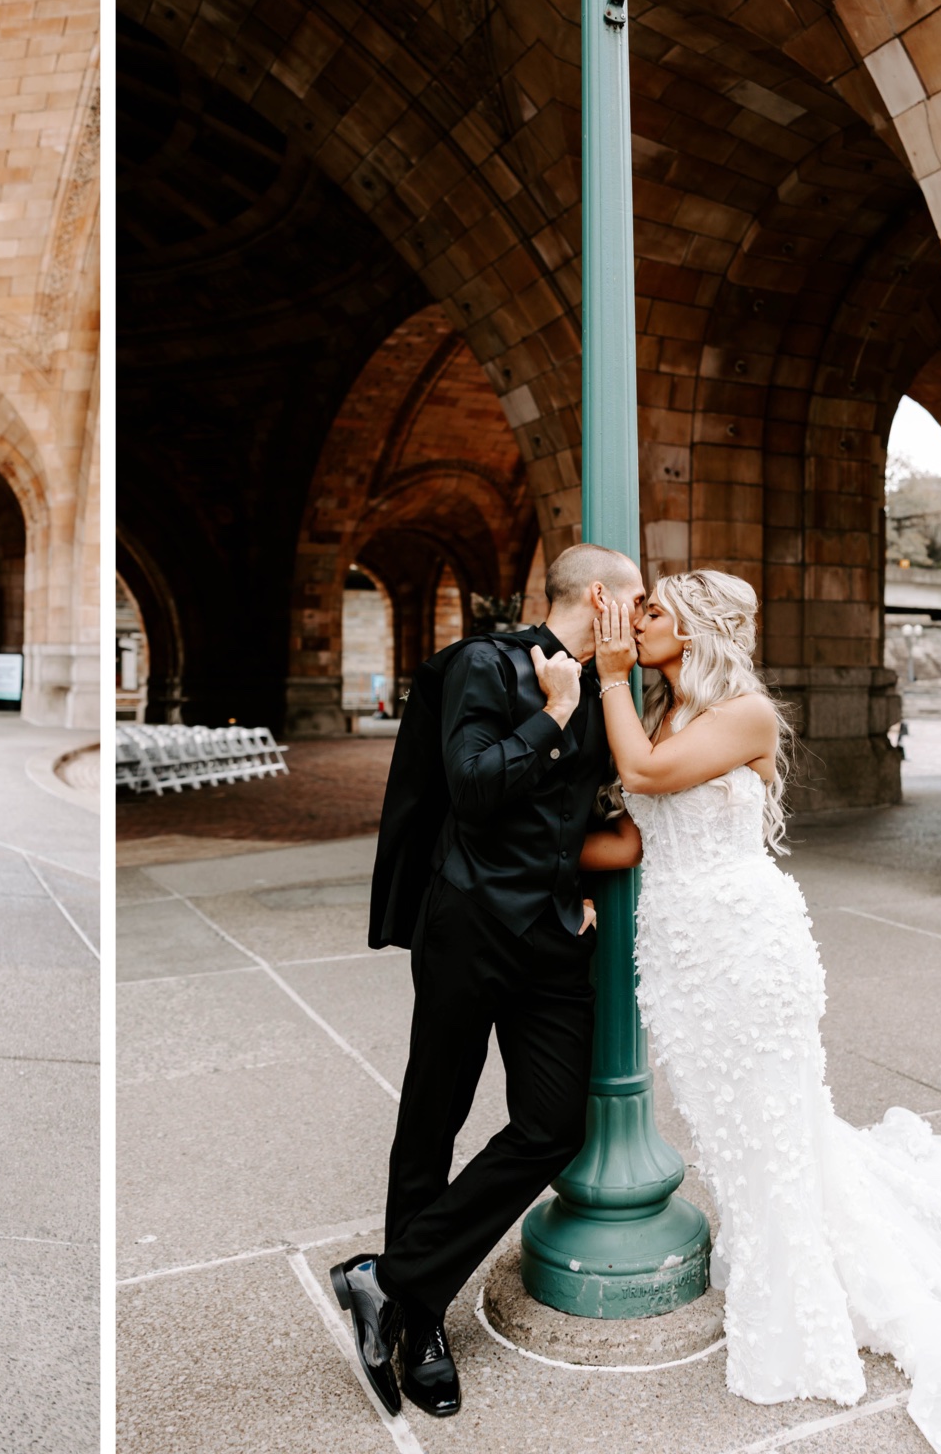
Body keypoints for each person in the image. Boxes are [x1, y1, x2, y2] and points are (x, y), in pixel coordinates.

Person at [589, 568, 941, 1453]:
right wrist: (529, 857)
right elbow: (640, 832)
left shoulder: (743, 712)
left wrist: (603, 677)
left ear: (700, 627)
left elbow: (640, 770)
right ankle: (776, 1255)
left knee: (768, 1127)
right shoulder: (669, 713)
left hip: (746, 952)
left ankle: (795, 1311)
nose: (637, 626)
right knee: (729, 1127)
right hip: (681, 957)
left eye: (654, 614)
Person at [341, 543, 649, 1418]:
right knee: (433, 1113)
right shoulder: (487, 663)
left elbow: (582, 812)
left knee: (552, 1125)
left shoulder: (608, 687)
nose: (644, 605)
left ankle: (391, 1280)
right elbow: (472, 788)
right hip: (467, 926)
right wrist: (551, 715)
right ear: (601, 595)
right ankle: (422, 1320)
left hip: (552, 936)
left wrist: (580, 885)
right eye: (638, 596)